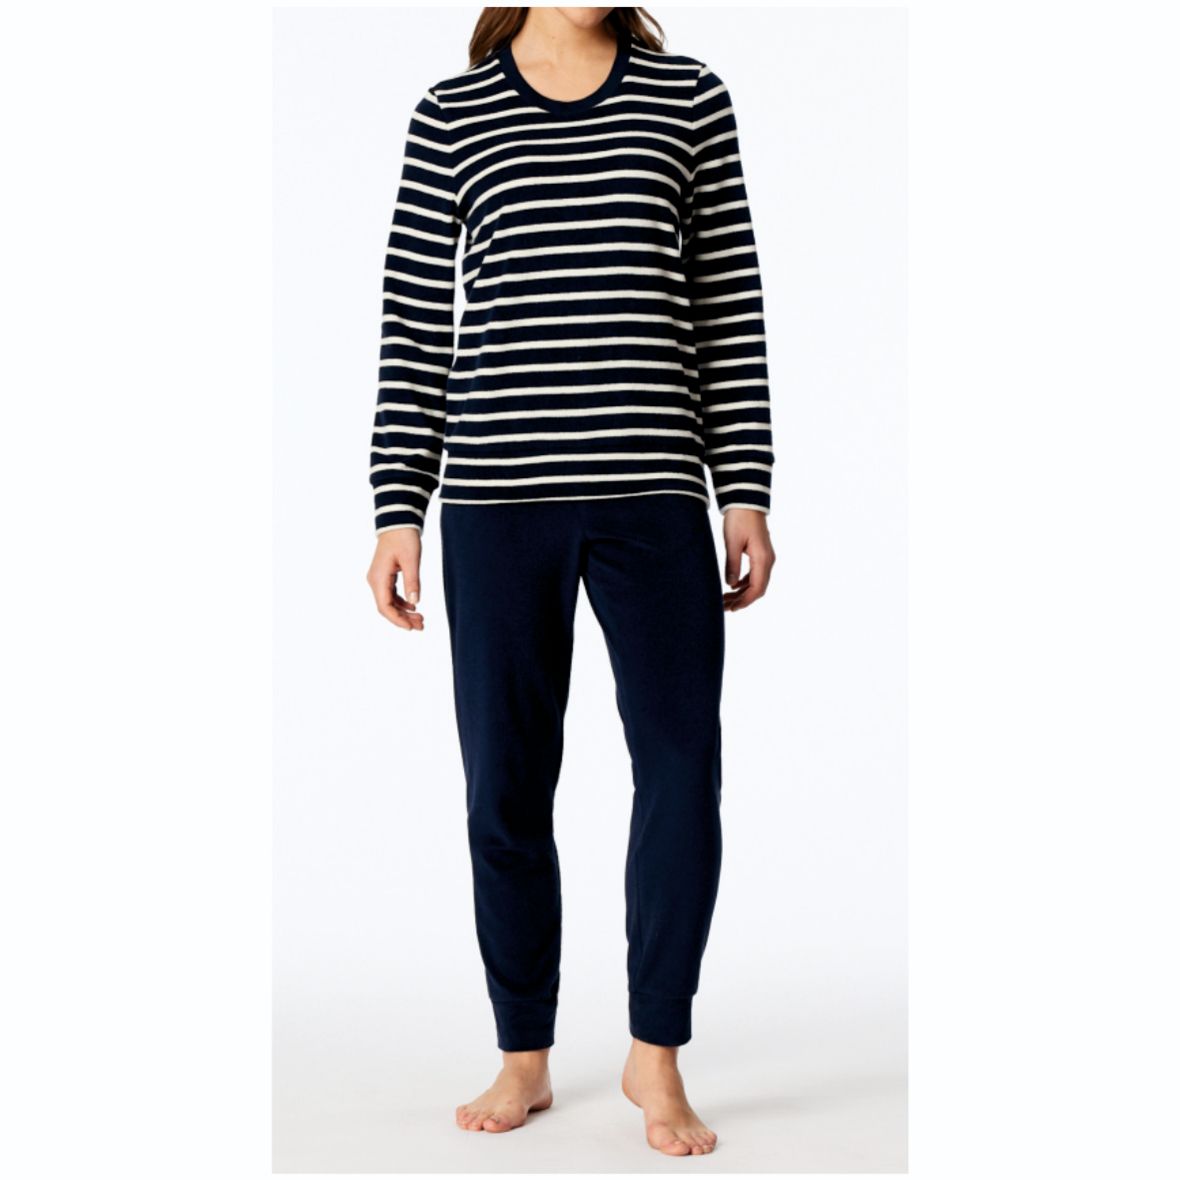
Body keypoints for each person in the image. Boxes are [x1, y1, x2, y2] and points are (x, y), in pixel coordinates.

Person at [365, 5, 775, 1157]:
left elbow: (727, 303)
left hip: (654, 494)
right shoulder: (451, 113)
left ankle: (657, 1052)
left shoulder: (688, 98)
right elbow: (414, 323)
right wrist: (398, 504)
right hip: (499, 503)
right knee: (504, 783)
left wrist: (742, 487)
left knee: (682, 770)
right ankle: (523, 1052)